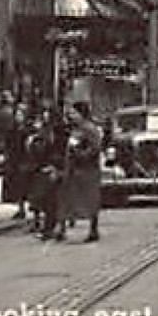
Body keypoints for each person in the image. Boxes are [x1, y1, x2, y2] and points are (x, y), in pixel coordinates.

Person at [60, 103, 103, 243]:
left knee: (90, 200)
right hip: (75, 169)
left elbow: (94, 149)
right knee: (69, 199)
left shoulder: (89, 129)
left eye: (74, 113)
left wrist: (79, 154)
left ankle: (93, 229)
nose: (71, 116)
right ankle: (63, 228)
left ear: (81, 114)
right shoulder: (76, 129)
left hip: (87, 170)